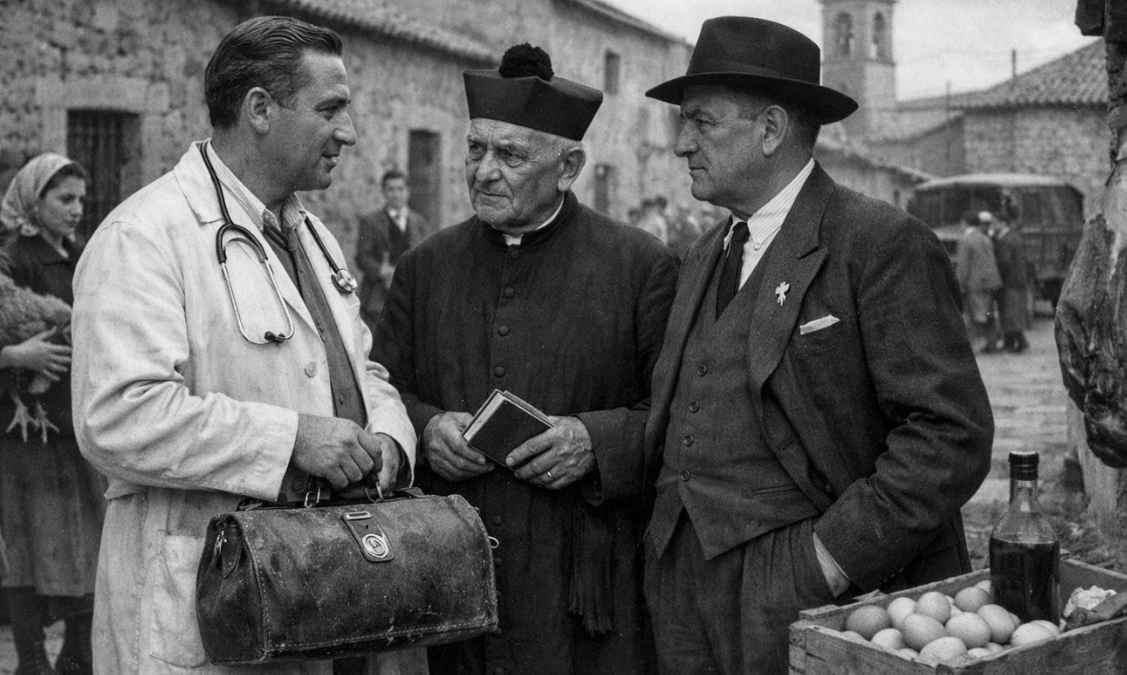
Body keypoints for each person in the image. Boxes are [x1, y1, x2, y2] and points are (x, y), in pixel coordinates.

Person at [640, 17, 993, 673]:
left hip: (800, 589)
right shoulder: (702, 255)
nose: (681, 143)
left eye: (701, 122)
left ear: (771, 130)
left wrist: (828, 560)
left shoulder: (879, 243)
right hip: (683, 583)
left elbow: (951, 433)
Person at [70, 16, 422, 674]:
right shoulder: (146, 236)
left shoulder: (313, 237)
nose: (348, 132)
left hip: (313, 592)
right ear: (259, 109)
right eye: (331, 109)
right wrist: (290, 439)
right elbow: (115, 415)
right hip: (195, 605)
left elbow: (359, 365)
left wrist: (391, 443)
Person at [371, 43, 678, 675]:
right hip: (460, 581)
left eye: (510, 155)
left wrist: (594, 440)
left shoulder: (640, 266)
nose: (484, 171)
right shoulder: (424, 268)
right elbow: (380, 393)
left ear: (569, 167)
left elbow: (679, 414)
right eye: (475, 149)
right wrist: (428, 428)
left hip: (586, 590)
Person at [0, 153, 102, 674]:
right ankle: (32, 657)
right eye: (65, 199)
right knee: (26, 544)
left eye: (81, 200)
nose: (76, 209)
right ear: (33, 202)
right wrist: (18, 356)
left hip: (74, 422)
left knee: (83, 537)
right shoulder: (12, 261)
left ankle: (77, 652)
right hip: (26, 430)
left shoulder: (81, 255)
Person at [354, 169, 434, 329]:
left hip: (410, 293)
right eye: (391, 189)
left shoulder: (419, 222)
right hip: (378, 297)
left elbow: (428, 257)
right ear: (384, 192)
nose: (396, 194)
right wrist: (381, 270)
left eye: (400, 189)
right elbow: (362, 257)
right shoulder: (370, 221)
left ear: (408, 192)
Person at [958, 210, 1003, 353]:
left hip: (975, 284)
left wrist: (959, 284)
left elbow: (964, 266)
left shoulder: (966, 240)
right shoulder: (985, 238)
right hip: (990, 282)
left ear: (964, 223)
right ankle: (992, 344)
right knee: (988, 313)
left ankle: (976, 345)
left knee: (976, 315)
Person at [988, 214, 1031, 353]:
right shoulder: (1015, 236)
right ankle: (1020, 341)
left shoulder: (1005, 240)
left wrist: (996, 277)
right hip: (1018, 279)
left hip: (1009, 281)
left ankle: (1011, 344)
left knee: (1009, 312)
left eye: (995, 223)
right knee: (1014, 312)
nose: (992, 226)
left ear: (1002, 223)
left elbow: (1004, 262)